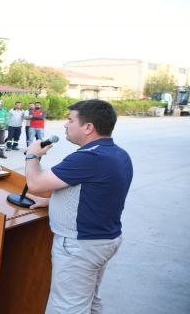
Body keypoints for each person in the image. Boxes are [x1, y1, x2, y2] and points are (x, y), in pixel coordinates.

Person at [25, 99, 133, 314]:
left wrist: (32, 156)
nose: (65, 125)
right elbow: (95, 196)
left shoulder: (88, 157)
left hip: (80, 246)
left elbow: (35, 184)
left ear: (88, 127)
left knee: (67, 308)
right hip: (102, 240)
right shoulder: (118, 153)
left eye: (70, 120)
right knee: (88, 301)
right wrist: (50, 202)